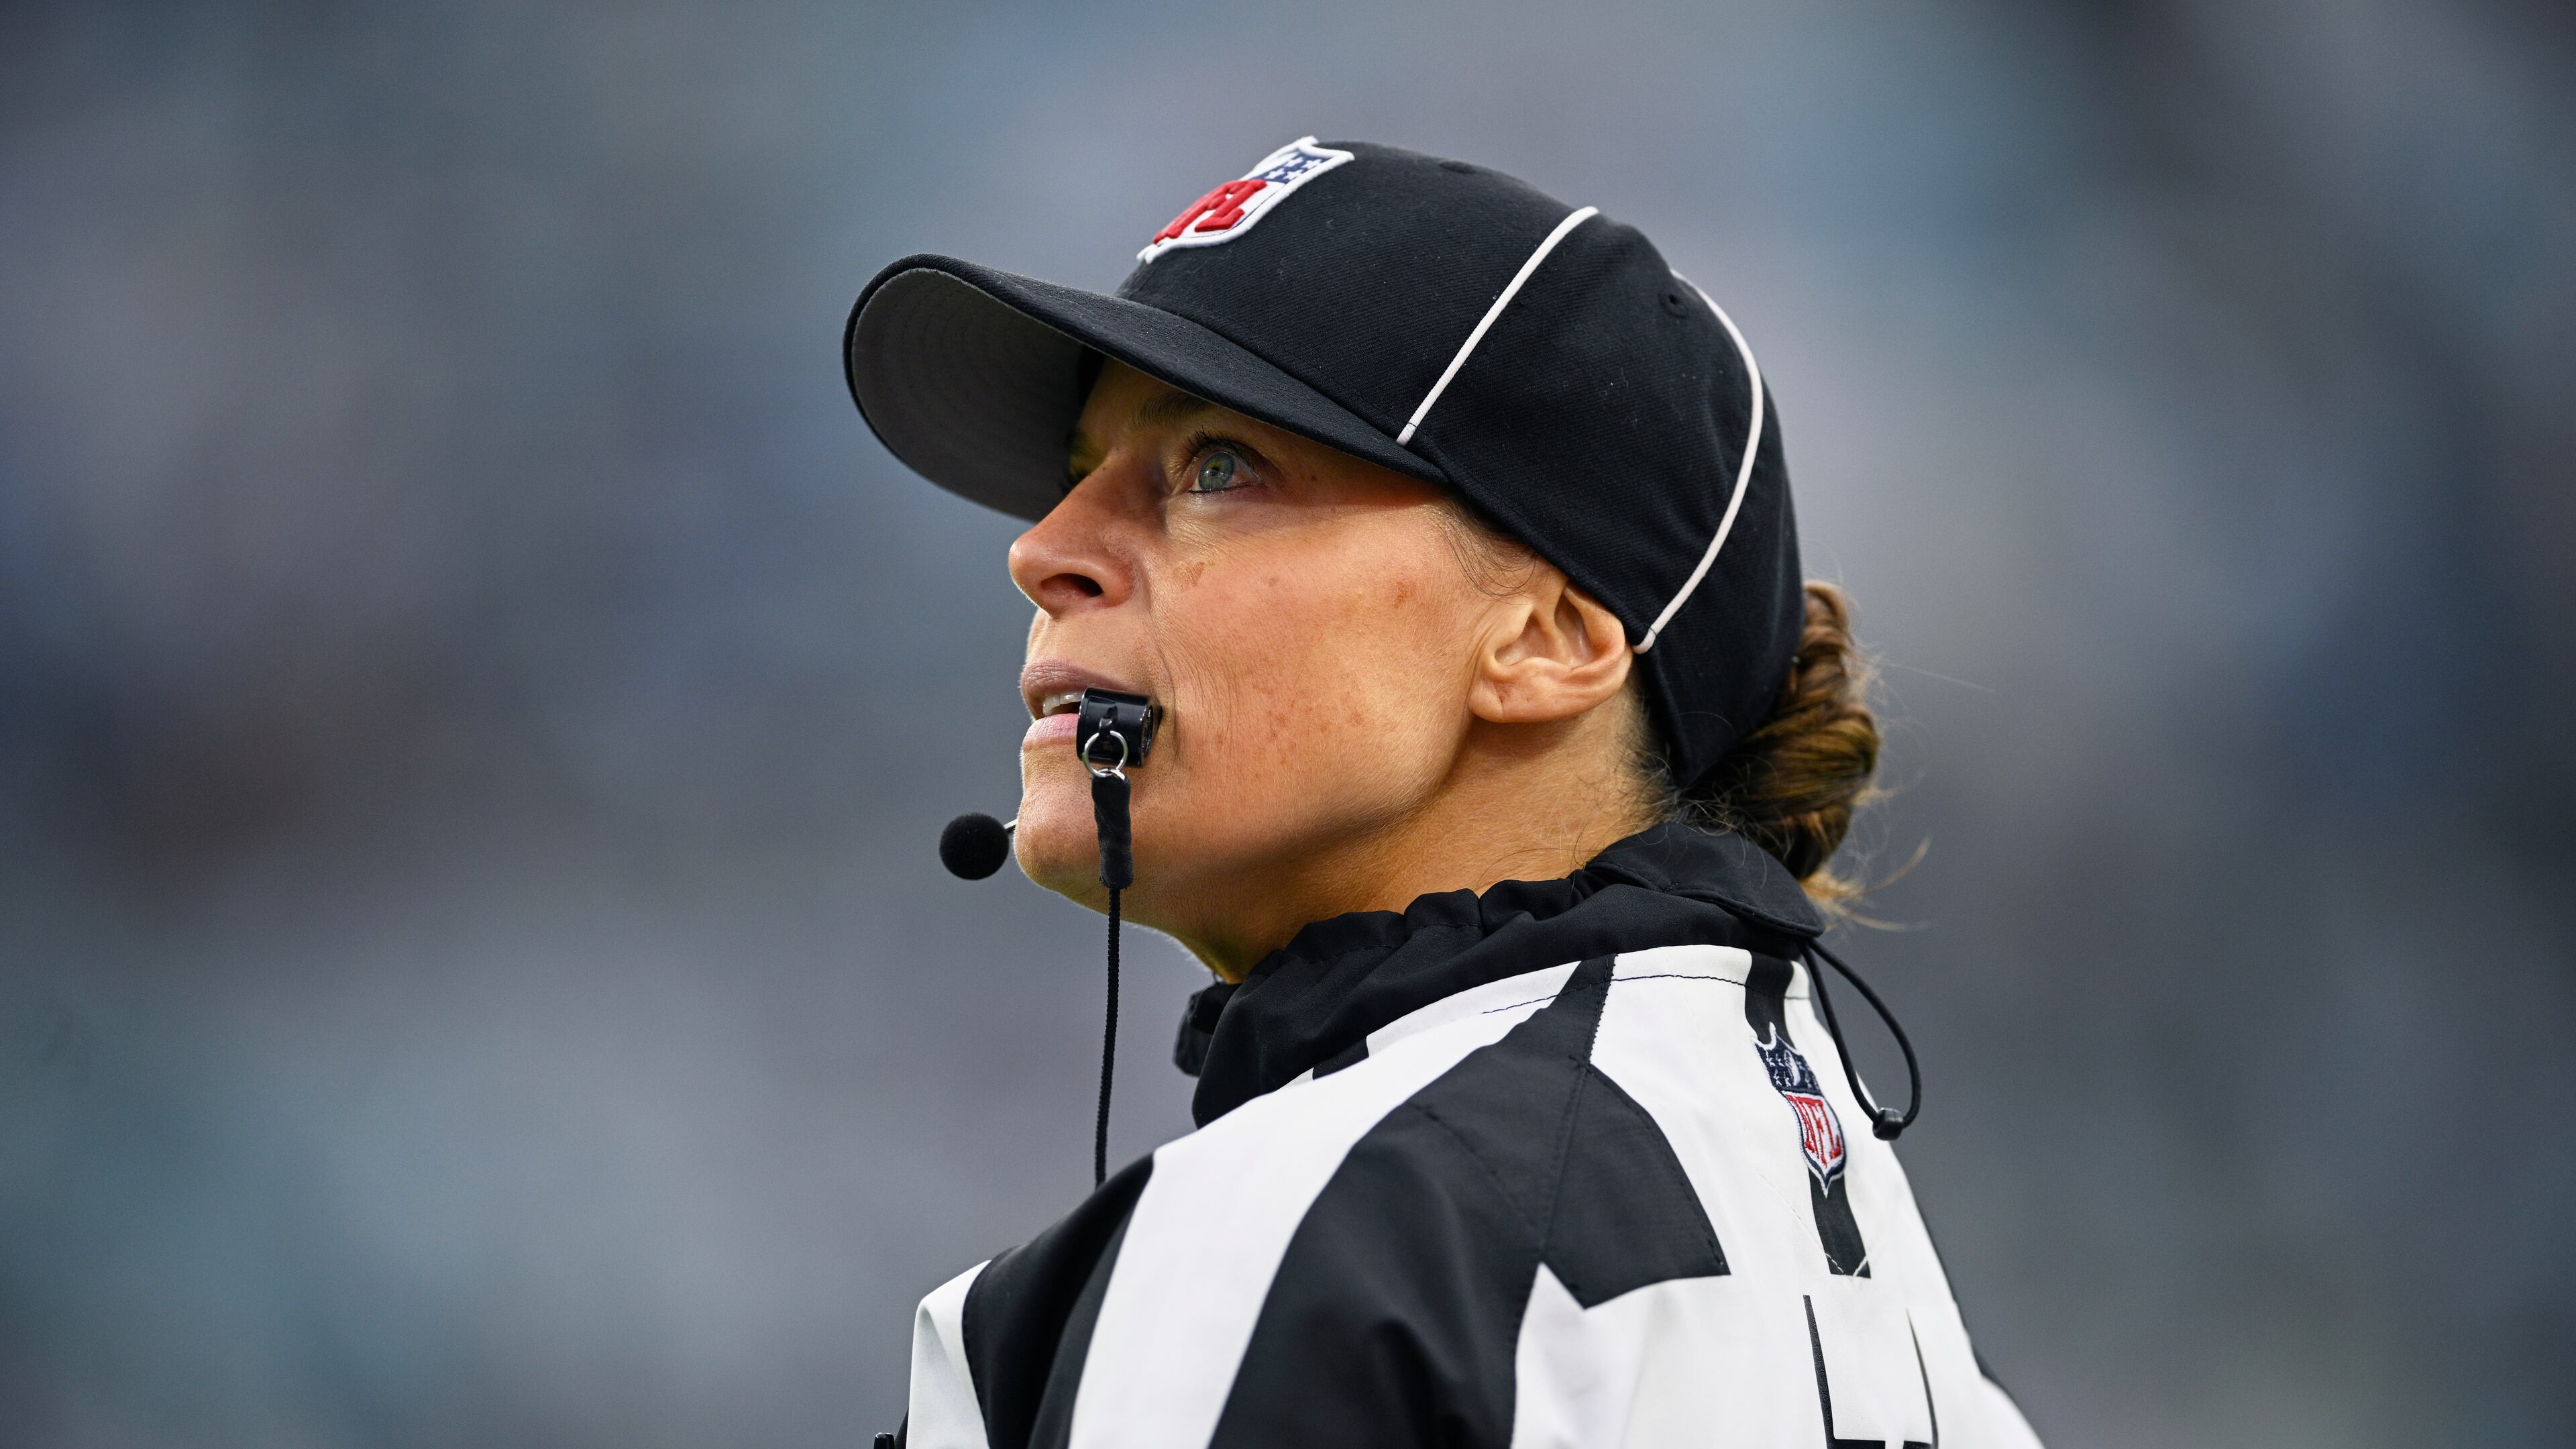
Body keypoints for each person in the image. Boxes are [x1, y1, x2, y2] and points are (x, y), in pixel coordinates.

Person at [843, 138, 2044, 1449]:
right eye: (1079, 473)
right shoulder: (1906, 1318)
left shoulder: (1312, 1236)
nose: (1043, 550)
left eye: (1215, 467)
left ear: (1545, 639)